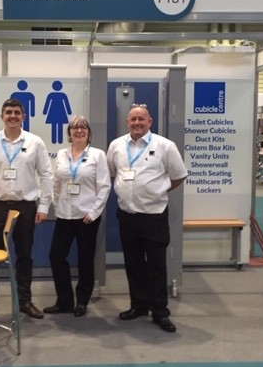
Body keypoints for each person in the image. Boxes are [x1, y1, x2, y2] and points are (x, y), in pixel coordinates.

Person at [106, 104, 188, 333]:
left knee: (156, 266)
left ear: (150, 122)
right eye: (133, 119)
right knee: (133, 265)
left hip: (154, 216)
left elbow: (179, 176)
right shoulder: (116, 146)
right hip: (127, 216)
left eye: (141, 119)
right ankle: (138, 306)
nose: (137, 123)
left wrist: (158, 190)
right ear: (127, 122)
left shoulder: (165, 146)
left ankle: (160, 311)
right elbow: (111, 172)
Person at [0, 98, 53, 320]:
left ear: (23, 117)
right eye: (8, 112)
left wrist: (44, 205)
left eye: (17, 112)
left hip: (26, 206)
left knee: (25, 255)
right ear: (2, 116)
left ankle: (25, 301)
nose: (13, 116)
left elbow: (46, 174)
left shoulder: (35, 142)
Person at [44, 116, 110, 317]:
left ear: (89, 133)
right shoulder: (62, 155)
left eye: (83, 127)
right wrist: (56, 204)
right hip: (64, 215)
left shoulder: (97, 155)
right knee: (56, 256)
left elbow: (105, 185)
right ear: (69, 133)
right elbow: (56, 183)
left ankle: (82, 300)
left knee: (85, 259)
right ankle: (64, 300)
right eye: (74, 127)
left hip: (86, 217)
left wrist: (94, 211)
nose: (78, 130)